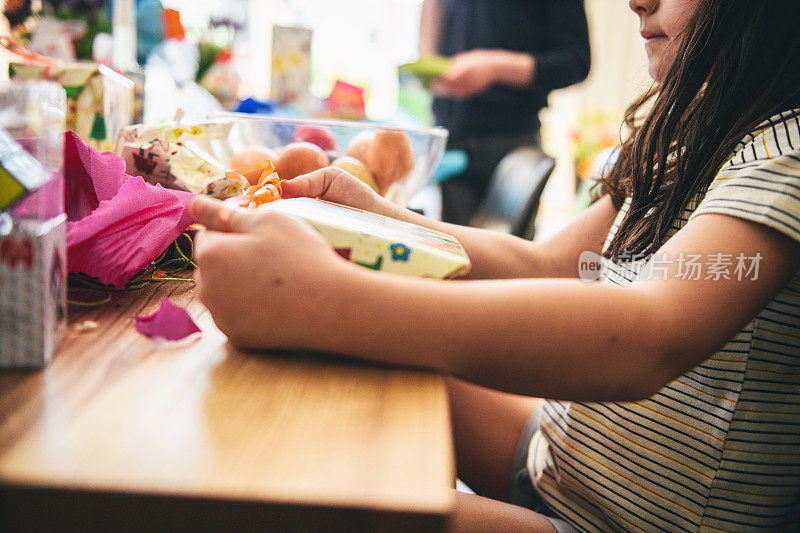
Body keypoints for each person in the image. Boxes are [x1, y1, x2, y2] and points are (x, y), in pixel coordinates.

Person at [190, 0, 800, 530]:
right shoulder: (687, 129)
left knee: (303, 511)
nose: (637, 3)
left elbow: (647, 333)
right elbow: (553, 263)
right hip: (557, 455)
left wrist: (321, 301)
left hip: (612, 521)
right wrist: (379, 215)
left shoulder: (785, 156)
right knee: (320, 394)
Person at [420, 0, 590, 225]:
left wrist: (495, 67)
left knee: (502, 256)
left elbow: (576, 61)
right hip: (450, 138)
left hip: (511, 143)